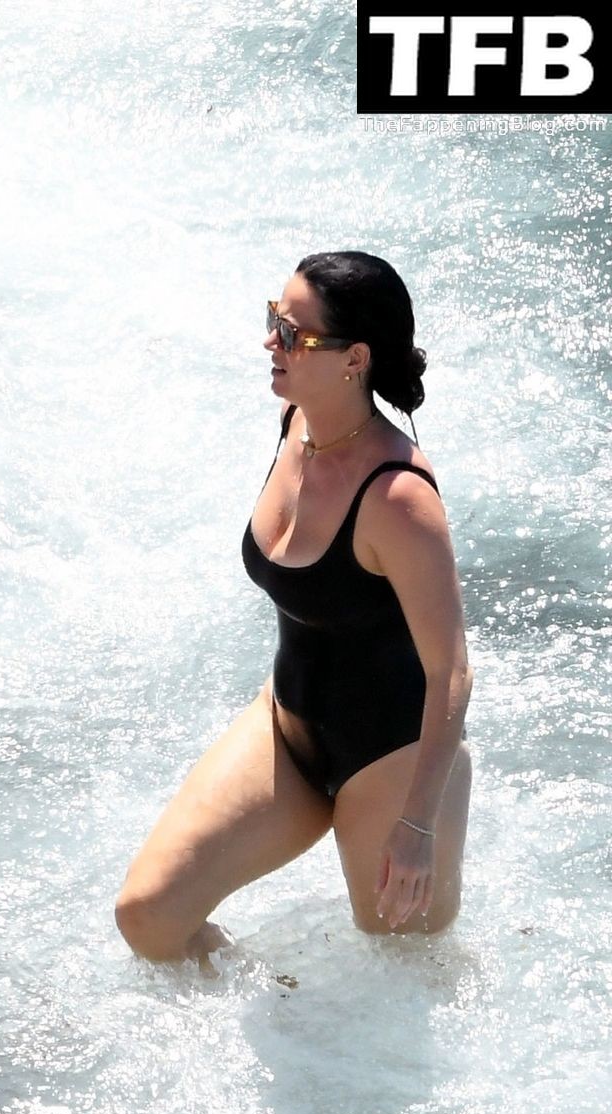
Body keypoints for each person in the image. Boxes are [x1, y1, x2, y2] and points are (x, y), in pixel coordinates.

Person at [115, 250, 473, 968]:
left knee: (406, 976)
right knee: (149, 917)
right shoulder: (294, 423)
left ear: (355, 359)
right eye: (273, 319)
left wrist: (418, 825)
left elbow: (452, 671)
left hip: (393, 762)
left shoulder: (398, 498)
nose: (270, 342)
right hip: (290, 725)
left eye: (293, 333)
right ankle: (272, 998)